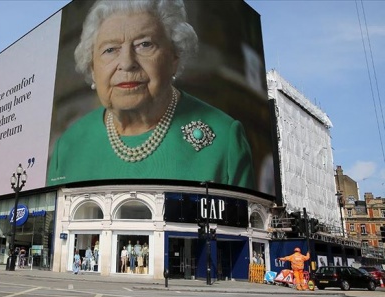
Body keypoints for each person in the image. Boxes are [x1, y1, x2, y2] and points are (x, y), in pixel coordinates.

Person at [47, 0, 254, 190]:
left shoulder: (225, 139)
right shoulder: (67, 147)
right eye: (110, 49)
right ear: (92, 68)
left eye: (145, 44)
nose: (127, 62)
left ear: (174, 56)